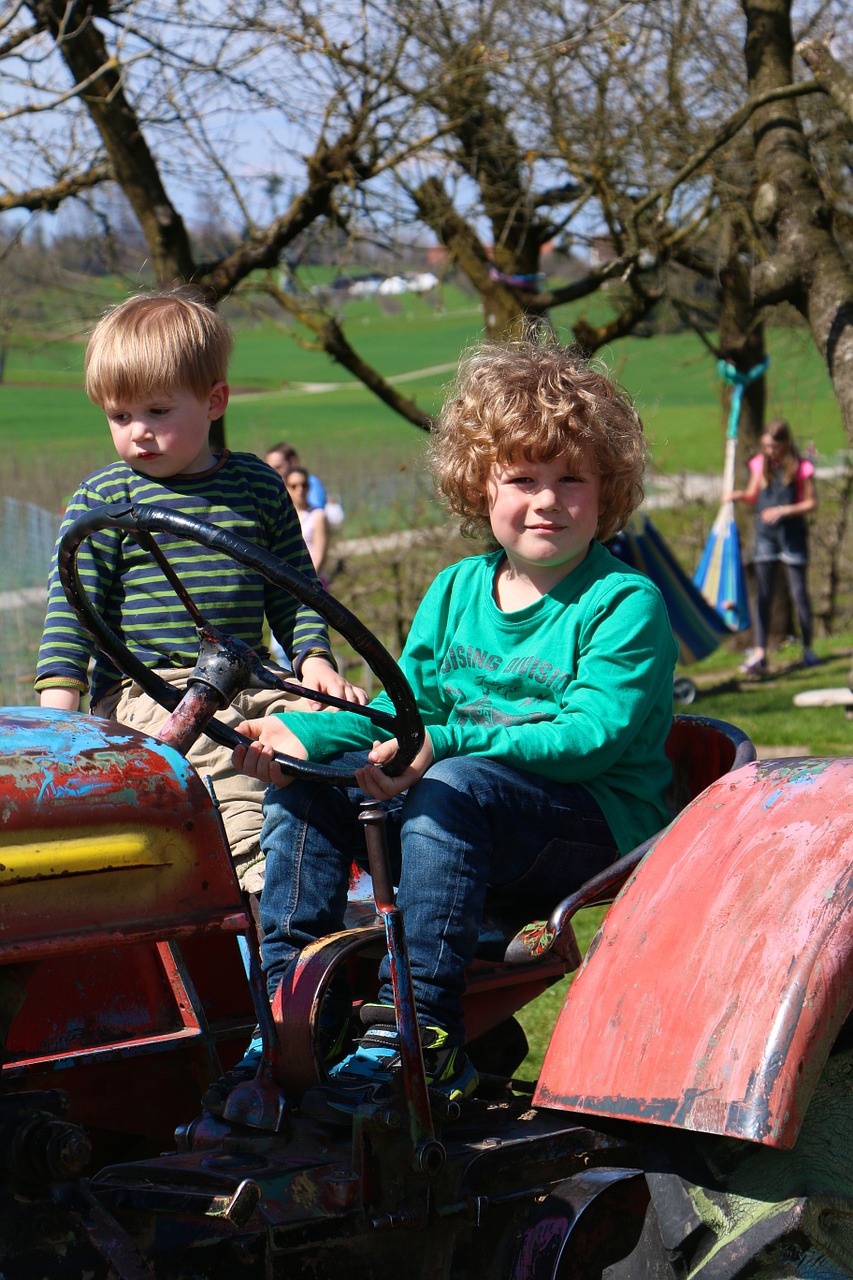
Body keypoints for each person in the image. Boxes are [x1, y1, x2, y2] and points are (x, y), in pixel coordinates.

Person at [225, 336, 678, 1118]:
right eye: (522, 478)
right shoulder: (454, 590)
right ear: (481, 486)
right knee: (307, 792)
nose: (546, 500)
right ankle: (292, 1014)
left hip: (592, 827)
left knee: (451, 784)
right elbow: (414, 719)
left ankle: (419, 1036)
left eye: (571, 479)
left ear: (608, 491)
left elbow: (589, 737)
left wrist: (446, 745)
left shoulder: (622, 603)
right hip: (466, 807)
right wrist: (308, 739)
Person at [35, 287, 365, 894]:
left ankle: (368, 878)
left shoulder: (258, 487)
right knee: (229, 761)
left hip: (254, 675)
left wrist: (314, 661)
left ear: (215, 401)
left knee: (356, 728)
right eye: (119, 415)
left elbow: (294, 590)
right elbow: (70, 612)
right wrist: (59, 713)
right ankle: (263, 889)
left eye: (157, 412)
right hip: (149, 692)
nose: (138, 432)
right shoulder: (104, 500)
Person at [728, 418, 818, 674]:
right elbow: (753, 495)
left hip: (792, 537)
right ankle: (759, 653)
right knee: (763, 597)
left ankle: (808, 650)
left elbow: (811, 503)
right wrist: (736, 496)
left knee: (799, 595)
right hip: (765, 537)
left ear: (785, 444)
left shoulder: (802, 468)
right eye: (766, 446)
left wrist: (783, 510)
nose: (770, 452)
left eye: (774, 447)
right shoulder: (760, 465)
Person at [265, 442, 344, 527]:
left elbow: (315, 520)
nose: (273, 473)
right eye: (269, 469)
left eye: (278, 467)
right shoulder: (273, 489)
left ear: (292, 462)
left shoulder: (309, 483)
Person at [284, 464, 329, 583]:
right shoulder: (285, 515)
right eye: (294, 486)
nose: (300, 490)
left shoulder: (317, 515)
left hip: (313, 581)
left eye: (304, 485)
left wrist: (307, 584)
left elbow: (320, 555)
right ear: (286, 487)